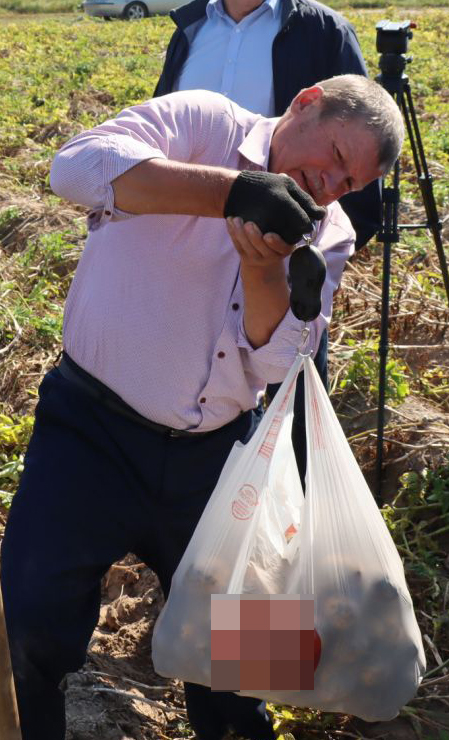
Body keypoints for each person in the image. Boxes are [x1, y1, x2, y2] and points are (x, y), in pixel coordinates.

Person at [1, 75, 403, 740]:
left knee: (246, 665)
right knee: (32, 622)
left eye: (349, 184)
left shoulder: (325, 232)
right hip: (88, 431)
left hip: (220, 454)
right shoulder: (201, 122)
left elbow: (279, 363)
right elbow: (73, 168)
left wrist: (262, 270)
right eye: (334, 156)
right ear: (305, 103)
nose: (330, 187)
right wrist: (231, 193)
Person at [154, 0, 383, 484]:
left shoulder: (321, 30)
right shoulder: (192, 26)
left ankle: (289, 508)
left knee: (289, 393)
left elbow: (362, 149)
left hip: (283, 259)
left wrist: (313, 250)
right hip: (189, 262)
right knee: (190, 395)